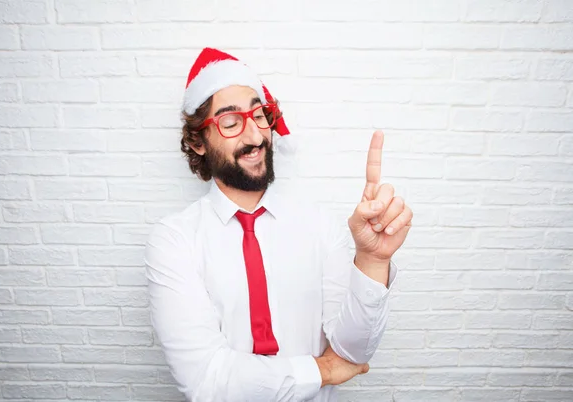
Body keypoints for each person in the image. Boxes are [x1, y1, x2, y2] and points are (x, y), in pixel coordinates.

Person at [144, 47, 413, 402]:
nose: (255, 136)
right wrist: (325, 370)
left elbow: (354, 351)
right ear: (197, 142)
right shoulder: (174, 241)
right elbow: (207, 381)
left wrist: (372, 261)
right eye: (230, 122)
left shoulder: (320, 226)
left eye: (259, 116)